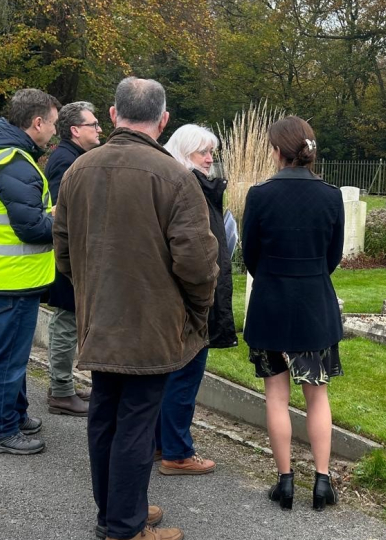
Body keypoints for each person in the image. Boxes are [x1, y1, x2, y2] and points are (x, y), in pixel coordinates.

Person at [53, 77, 218, 540]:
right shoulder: (176, 177)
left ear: (112, 114)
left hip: (100, 316)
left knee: (106, 413)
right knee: (136, 424)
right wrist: (197, 312)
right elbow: (198, 264)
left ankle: (116, 512)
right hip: (152, 322)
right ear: (163, 121)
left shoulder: (77, 171)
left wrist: (92, 288)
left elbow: (62, 251)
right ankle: (125, 526)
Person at [241, 116, 344, 511]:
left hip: (271, 306)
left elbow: (250, 254)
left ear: (277, 151)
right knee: (317, 397)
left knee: (276, 398)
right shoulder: (331, 196)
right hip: (314, 306)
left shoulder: (259, 194)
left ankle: (285, 482)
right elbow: (332, 256)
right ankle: (322, 482)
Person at [0, 88, 61, 455]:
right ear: (37, 122)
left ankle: (15, 413)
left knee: (14, 353)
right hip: (10, 277)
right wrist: (61, 218)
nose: (55, 131)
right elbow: (31, 227)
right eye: (53, 123)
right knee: (8, 356)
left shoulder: (1, 154)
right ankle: (0, 430)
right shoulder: (13, 162)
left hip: (2, 272)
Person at [155, 125, 237, 475]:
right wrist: (203, 297)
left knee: (172, 375)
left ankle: (162, 443)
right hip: (191, 299)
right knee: (184, 376)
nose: (209, 159)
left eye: (211, 153)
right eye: (202, 152)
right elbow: (196, 254)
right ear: (183, 151)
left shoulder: (176, 183)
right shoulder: (189, 189)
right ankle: (177, 452)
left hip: (177, 297)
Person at [44, 101, 103, 417]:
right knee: (66, 320)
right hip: (71, 254)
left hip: (77, 253)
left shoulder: (74, 158)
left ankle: (63, 387)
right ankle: (62, 391)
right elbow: (64, 211)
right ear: (74, 129)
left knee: (72, 320)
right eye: (93, 124)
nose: (99, 129)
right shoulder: (66, 161)